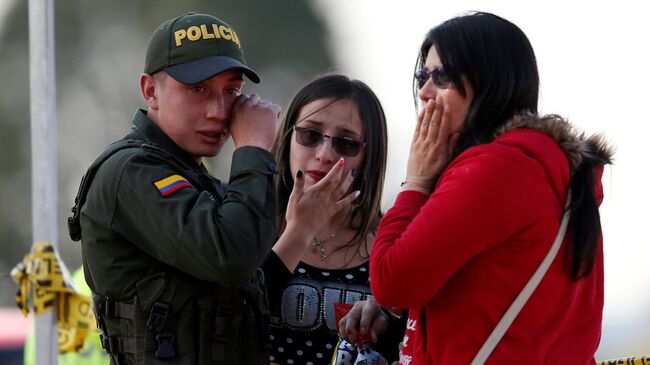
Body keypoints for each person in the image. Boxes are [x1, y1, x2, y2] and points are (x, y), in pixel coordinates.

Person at [343, 12, 613, 365]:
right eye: (422, 76)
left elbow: (393, 282)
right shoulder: (545, 168)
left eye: (441, 77)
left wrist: (416, 181)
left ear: (489, 82)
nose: (424, 93)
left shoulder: (497, 169)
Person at [68, 13, 281, 365]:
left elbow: (248, 282)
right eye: (198, 89)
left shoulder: (197, 178)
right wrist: (253, 152)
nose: (218, 110)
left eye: (231, 91)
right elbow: (230, 256)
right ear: (151, 91)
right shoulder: (131, 172)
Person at [260, 74, 405, 365]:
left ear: (368, 156)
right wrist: (299, 231)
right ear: (288, 138)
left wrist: (385, 323)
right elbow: (229, 317)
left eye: (346, 143)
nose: (325, 155)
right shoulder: (250, 225)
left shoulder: (391, 244)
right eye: (310, 135)